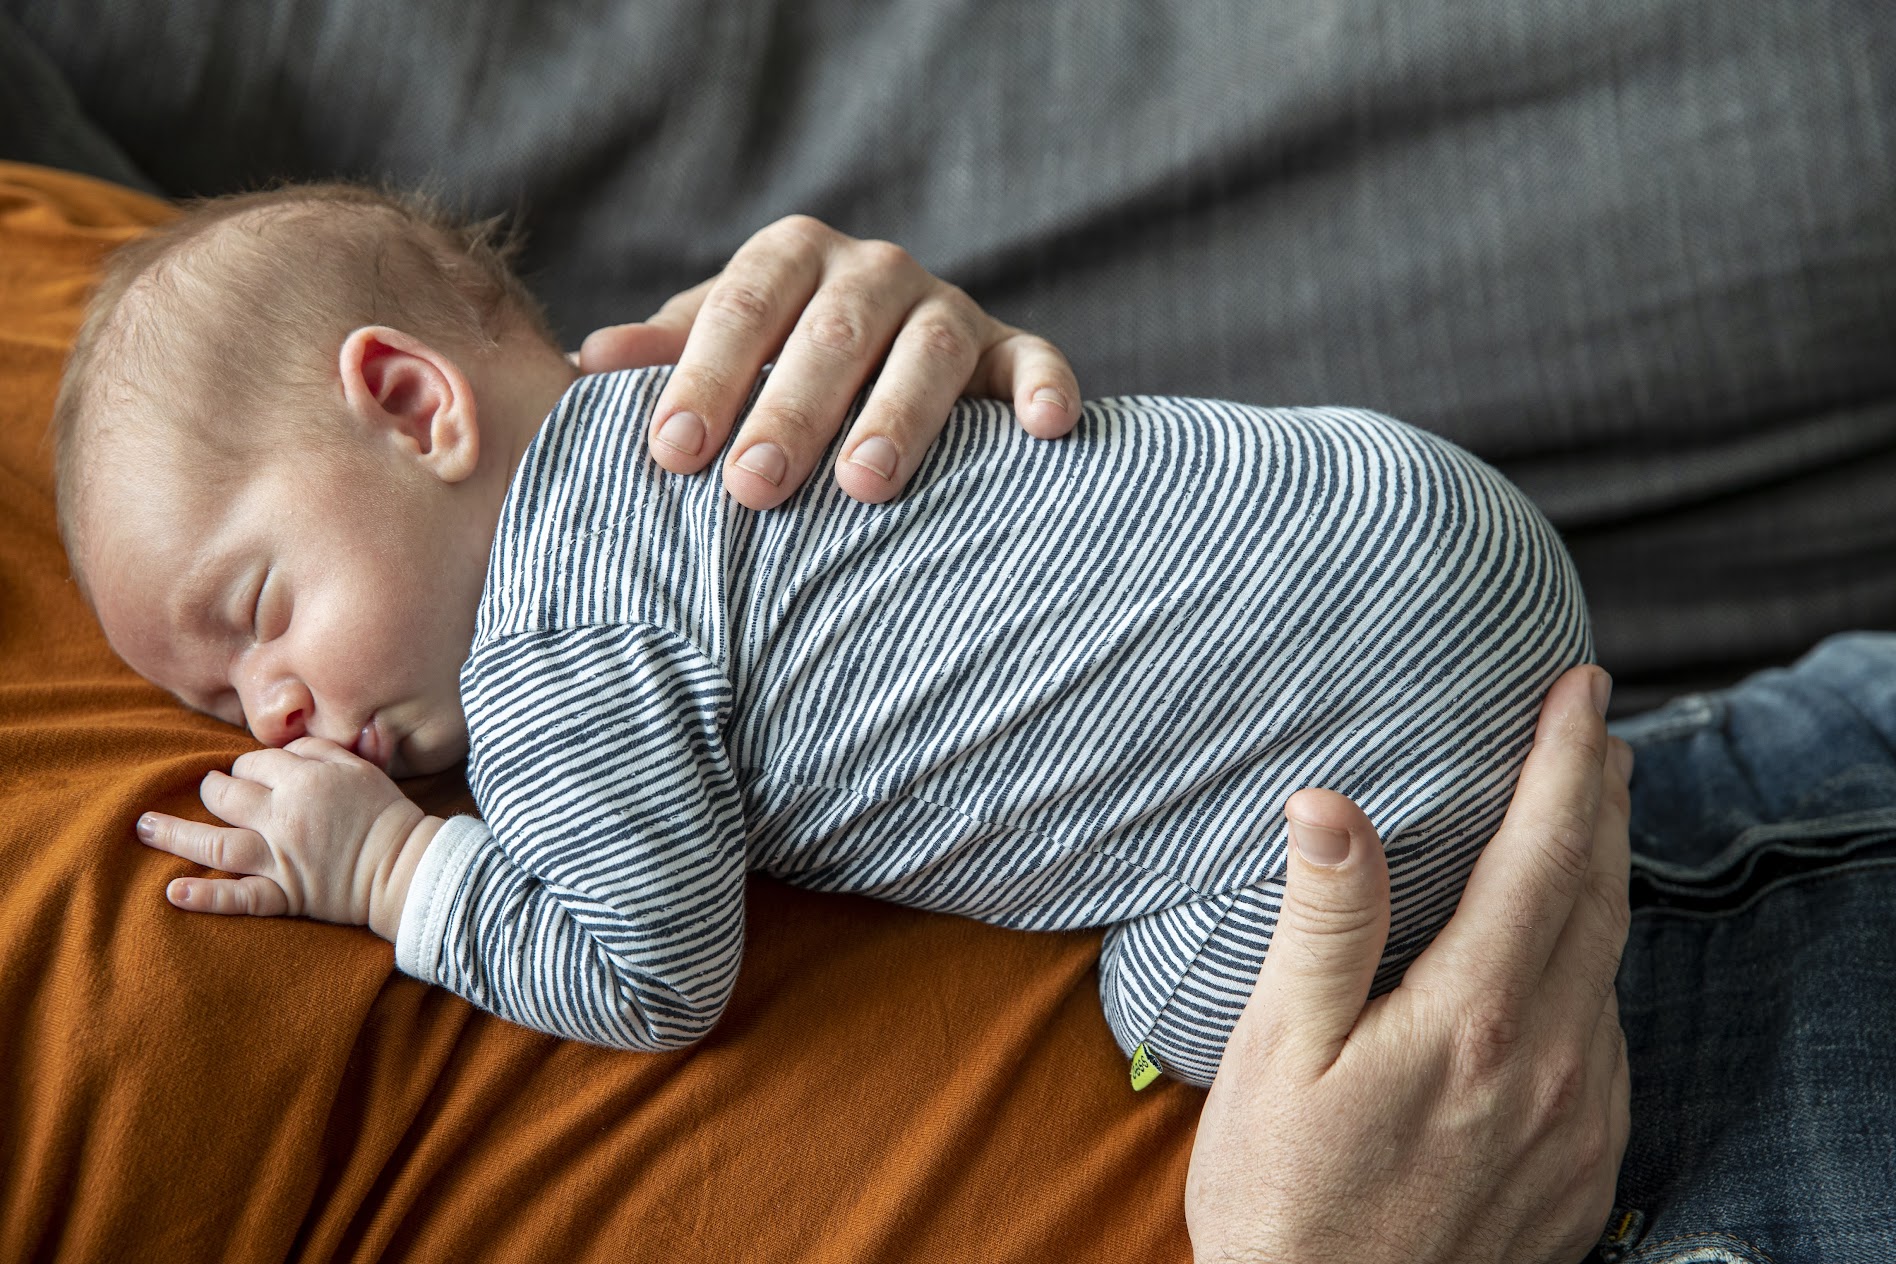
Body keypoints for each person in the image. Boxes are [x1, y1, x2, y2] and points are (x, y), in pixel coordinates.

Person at [54, 181, 1589, 1092]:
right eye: (215, 701)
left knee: (1160, 1013)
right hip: (1409, 501)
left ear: (412, 405)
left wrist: (388, 867)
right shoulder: (719, 395)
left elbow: (654, 975)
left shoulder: (553, 655)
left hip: (1381, 767)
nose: (263, 715)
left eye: (256, 619)